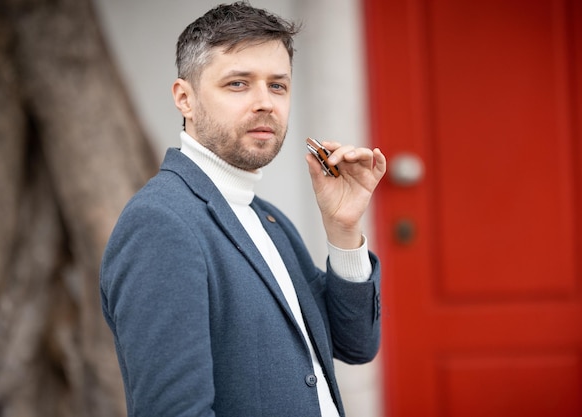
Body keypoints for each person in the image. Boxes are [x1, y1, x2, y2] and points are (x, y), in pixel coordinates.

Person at [100, 2, 387, 416]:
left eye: (278, 85)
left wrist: (344, 230)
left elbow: (356, 345)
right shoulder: (160, 224)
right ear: (185, 98)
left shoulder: (267, 218)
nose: (265, 103)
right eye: (238, 84)